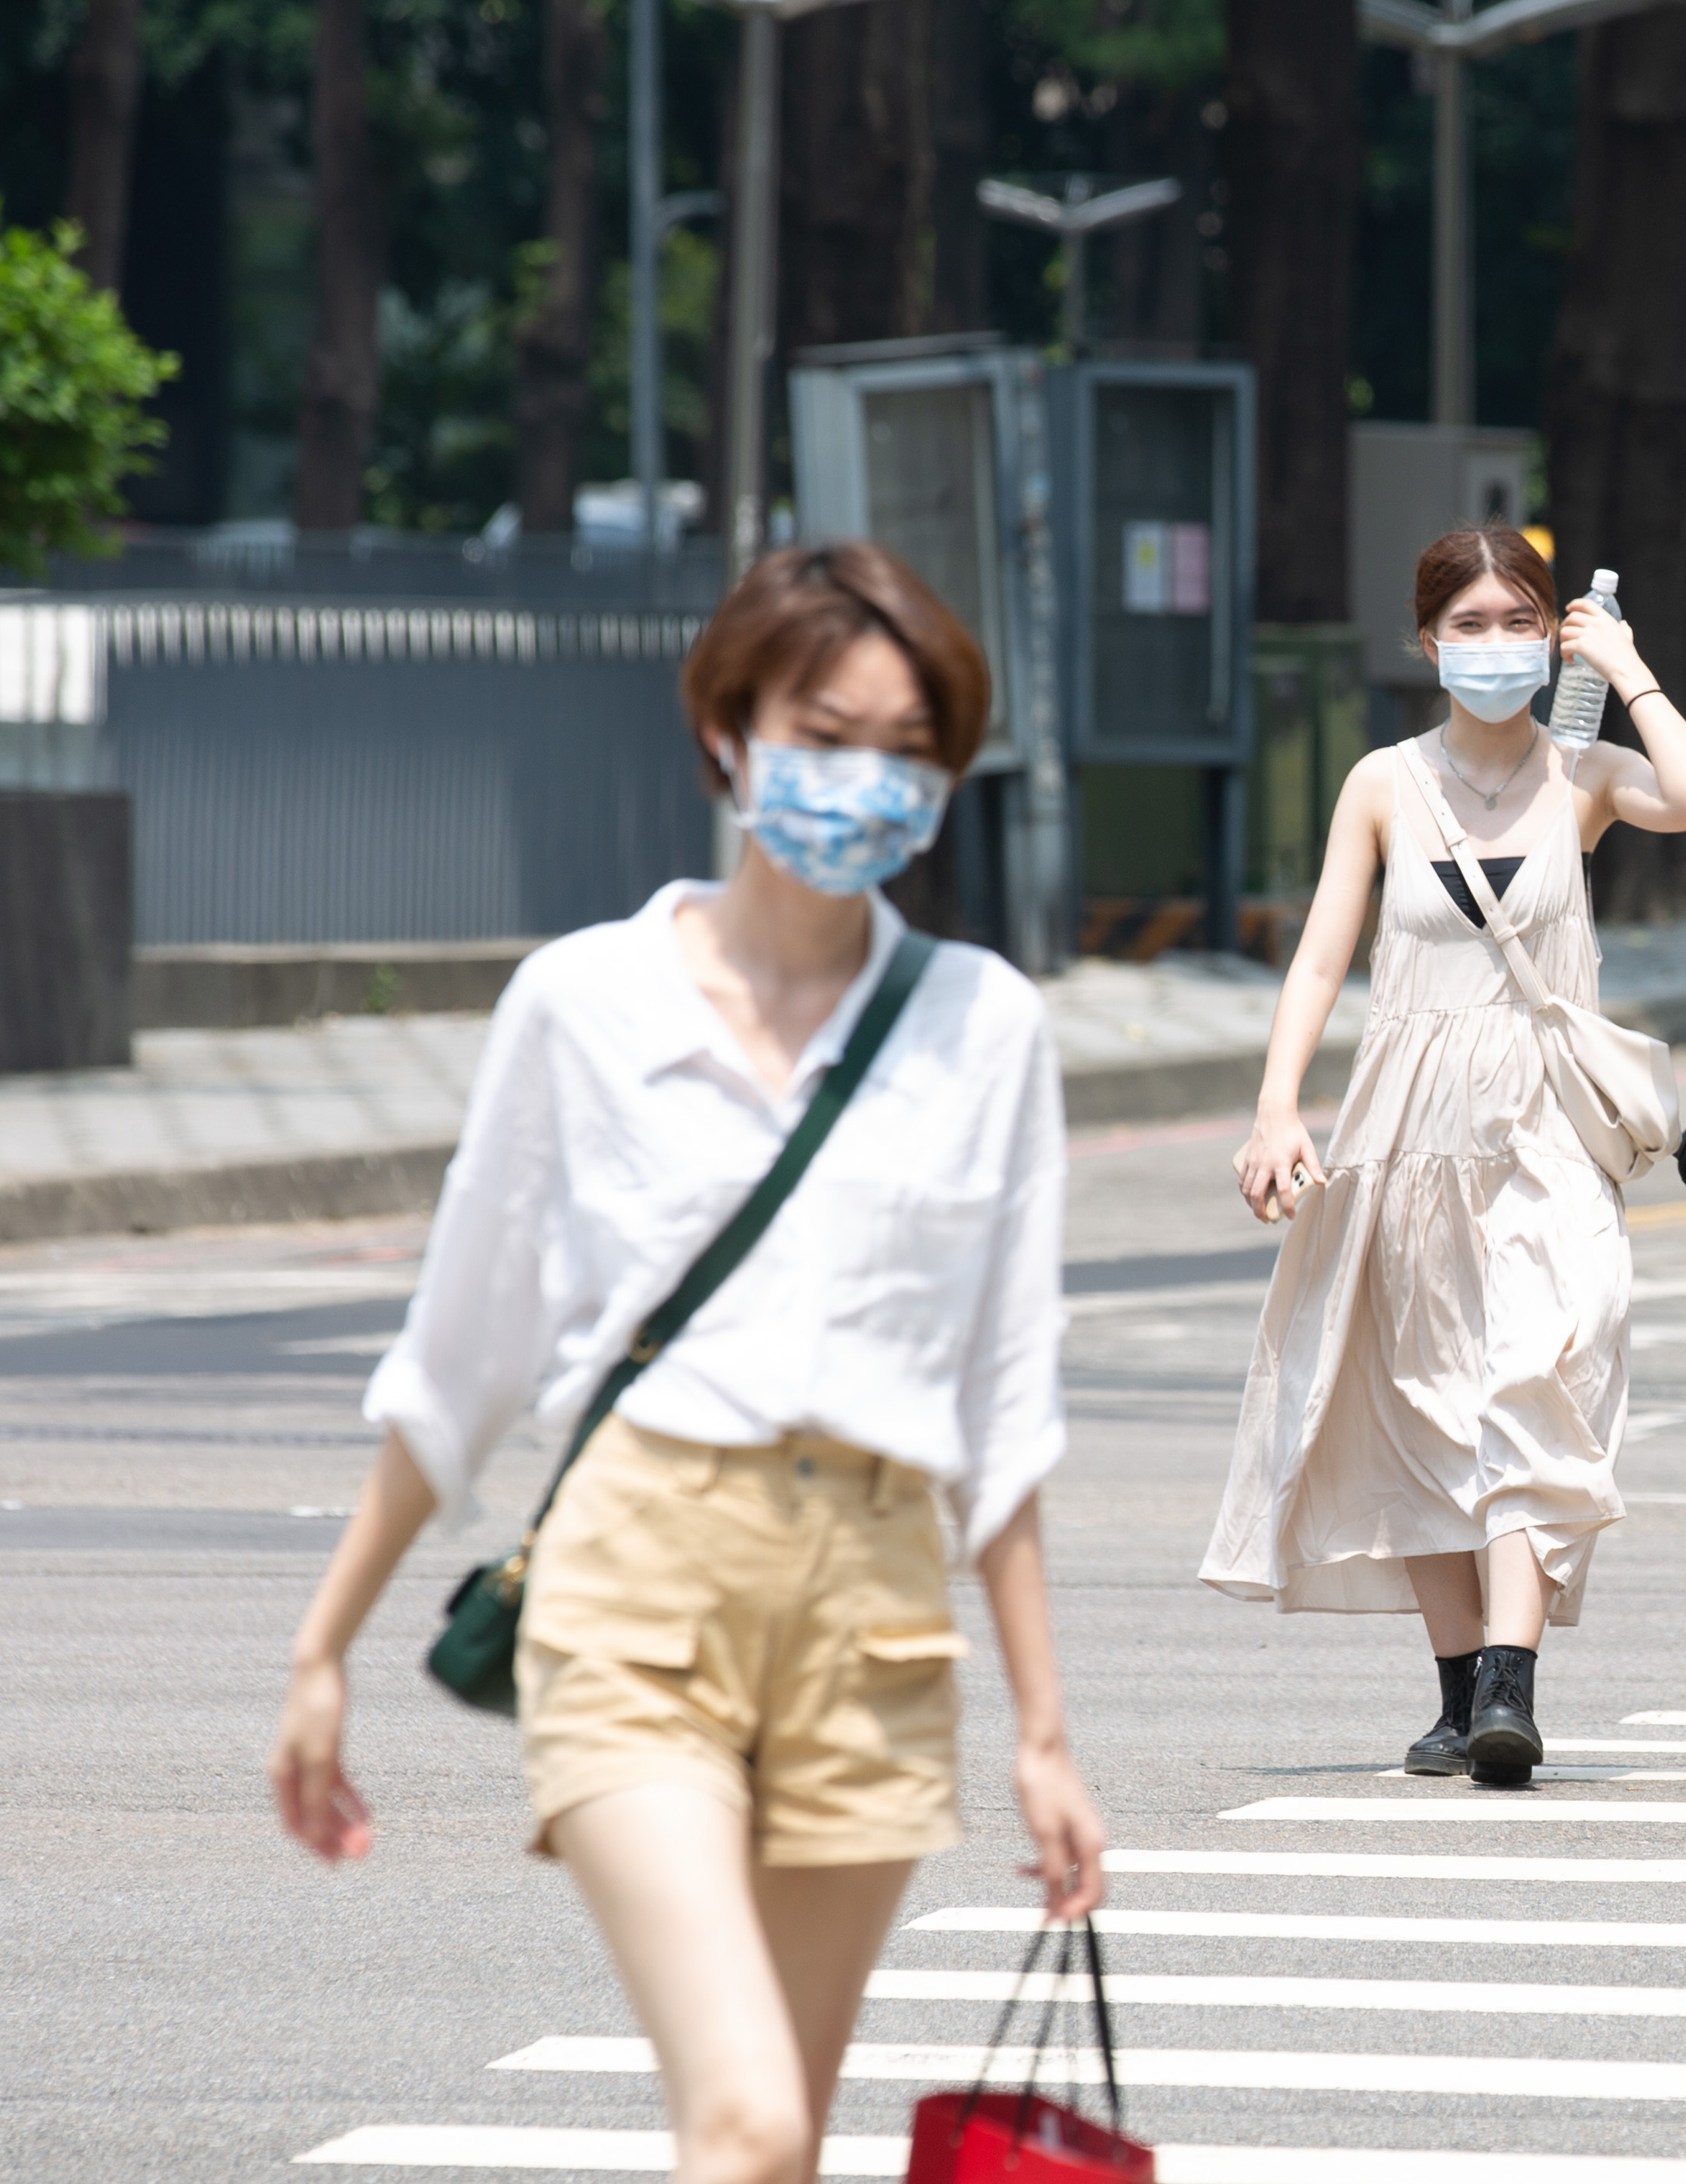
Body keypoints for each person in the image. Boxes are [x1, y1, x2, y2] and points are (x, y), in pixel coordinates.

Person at [267, 542, 1109, 2184]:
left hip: (872, 1615)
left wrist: (1047, 1735)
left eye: (905, 748)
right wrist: (324, 1649)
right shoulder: (580, 1003)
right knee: (741, 2120)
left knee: (776, 2146)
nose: (860, 779)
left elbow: (1004, 1405)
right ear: (727, 729)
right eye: (823, 729)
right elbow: (462, 1359)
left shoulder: (984, 1024)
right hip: (634, 1589)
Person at [1207, 525, 1686, 1786]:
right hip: (1407, 1129)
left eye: (1520, 623)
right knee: (1423, 1401)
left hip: (1548, 1128)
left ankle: (1513, 1682)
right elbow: (1325, 954)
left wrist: (1633, 668)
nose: (1496, 648)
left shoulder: (1585, 774)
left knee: (1543, 1374)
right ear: (1427, 641)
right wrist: (1279, 1108)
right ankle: (1459, 1693)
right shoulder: (1385, 783)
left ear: (1556, 636)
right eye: (1471, 625)